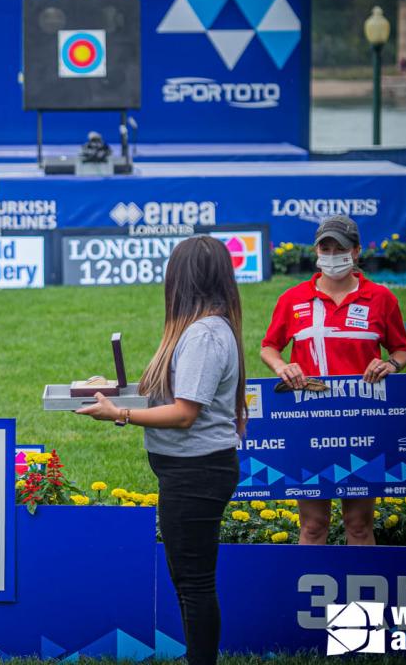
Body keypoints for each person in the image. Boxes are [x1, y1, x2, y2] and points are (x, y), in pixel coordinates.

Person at [76, 235, 246, 665]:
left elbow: (185, 412)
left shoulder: (204, 334)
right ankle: (197, 655)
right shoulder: (201, 329)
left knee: (194, 582)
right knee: (188, 579)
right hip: (190, 472)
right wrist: (117, 393)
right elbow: (174, 394)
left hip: (197, 473)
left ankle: (201, 659)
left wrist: (121, 414)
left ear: (183, 279)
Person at [261, 214, 406, 546]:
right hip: (309, 421)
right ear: (316, 250)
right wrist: (281, 367)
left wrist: (390, 366)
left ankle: (365, 596)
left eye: (339, 248)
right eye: (325, 247)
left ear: (356, 252)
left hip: (361, 422)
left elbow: (401, 349)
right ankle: (305, 596)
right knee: (313, 525)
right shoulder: (293, 299)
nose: (331, 255)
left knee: (358, 524)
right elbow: (269, 346)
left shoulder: (381, 298)